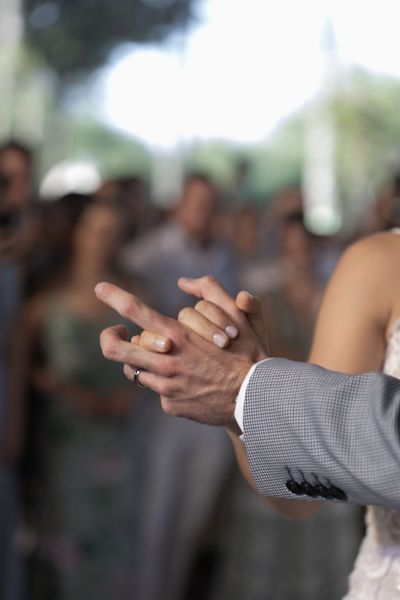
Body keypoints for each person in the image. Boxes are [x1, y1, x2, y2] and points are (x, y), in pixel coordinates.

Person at [119, 172, 236, 600]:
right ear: (179, 204)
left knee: (191, 523)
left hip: (210, 409)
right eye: (196, 202)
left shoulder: (226, 254)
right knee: (156, 519)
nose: (203, 212)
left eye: (210, 204)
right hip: (161, 404)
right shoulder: (148, 255)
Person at [27, 202, 147, 600]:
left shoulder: (134, 296)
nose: (102, 240)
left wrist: (129, 393)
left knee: (116, 538)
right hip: (67, 437)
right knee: (67, 538)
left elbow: (158, 357)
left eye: (112, 232)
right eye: (95, 229)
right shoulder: (48, 295)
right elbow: (22, 365)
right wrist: (65, 392)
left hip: (118, 436)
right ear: (78, 232)